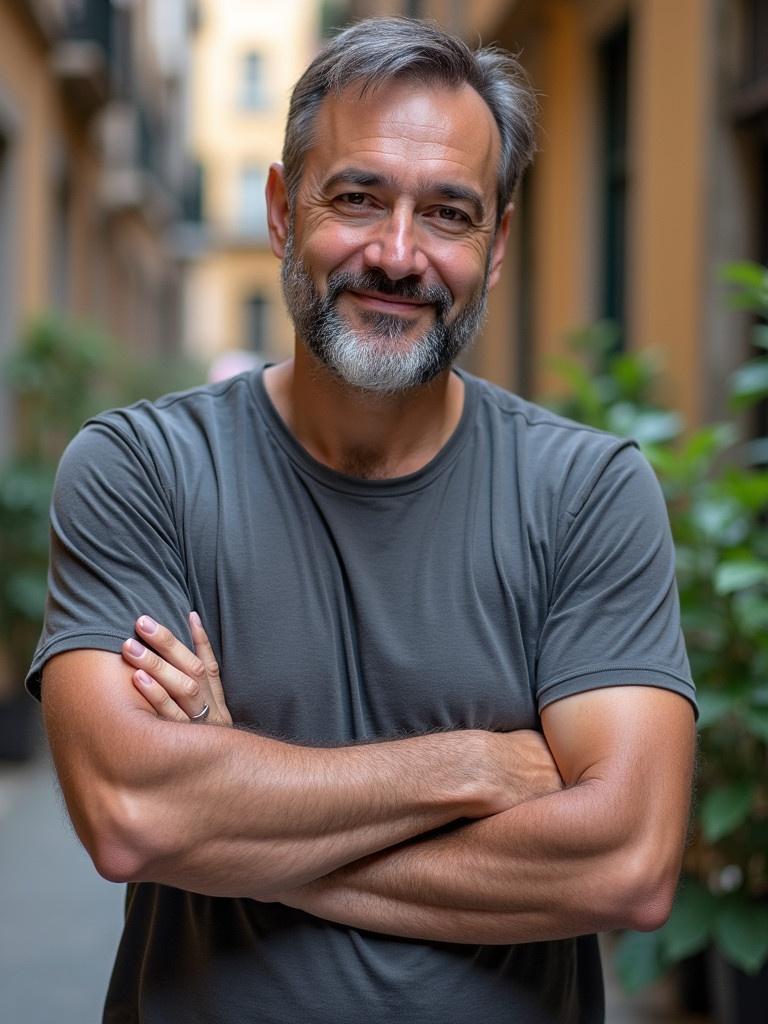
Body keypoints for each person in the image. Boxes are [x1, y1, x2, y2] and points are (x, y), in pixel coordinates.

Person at [28, 17, 696, 1024]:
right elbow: (134, 813)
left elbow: (626, 861)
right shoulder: (143, 470)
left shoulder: (588, 491)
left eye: (449, 213)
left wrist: (233, 798)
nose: (396, 254)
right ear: (282, 211)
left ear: (498, 243)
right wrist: (475, 765)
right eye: (357, 197)